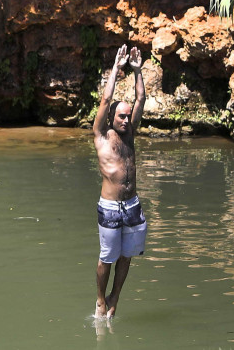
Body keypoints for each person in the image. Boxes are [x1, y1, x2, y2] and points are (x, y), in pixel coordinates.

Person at [93, 44, 147, 319]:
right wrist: (116, 68)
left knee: (126, 257)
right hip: (111, 207)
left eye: (128, 116)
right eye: (121, 116)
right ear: (111, 118)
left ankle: (116, 296)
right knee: (108, 257)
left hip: (133, 205)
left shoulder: (130, 135)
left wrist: (137, 70)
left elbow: (140, 98)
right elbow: (105, 100)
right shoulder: (102, 137)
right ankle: (101, 299)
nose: (126, 119)